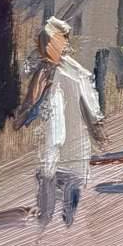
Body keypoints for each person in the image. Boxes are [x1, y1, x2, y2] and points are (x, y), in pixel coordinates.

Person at [17, 17, 107, 227]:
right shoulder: (42, 71)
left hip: (74, 135)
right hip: (52, 135)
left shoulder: (75, 71)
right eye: (59, 40)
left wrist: (97, 127)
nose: (64, 44)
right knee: (47, 173)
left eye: (64, 40)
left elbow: (90, 101)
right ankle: (45, 216)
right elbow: (31, 100)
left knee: (73, 179)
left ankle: (68, 216)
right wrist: (22, 116)